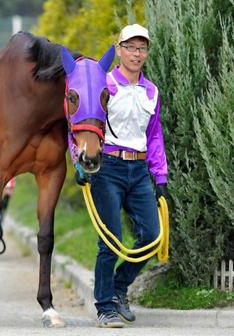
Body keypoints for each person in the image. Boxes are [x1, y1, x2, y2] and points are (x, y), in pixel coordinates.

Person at [88, 23, 168, 328]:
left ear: (147, 53)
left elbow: (155, 134)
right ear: (118, 49)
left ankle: (120, 286)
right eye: (131, 47)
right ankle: (105, 306)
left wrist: (160, 177)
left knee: (151, 236)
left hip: (139, 170)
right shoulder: (103, 84)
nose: (136, 54)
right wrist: (81, 163)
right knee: (110, 240)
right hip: (108, 167)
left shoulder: (152, 91)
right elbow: (84, 126)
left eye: (142, 48)